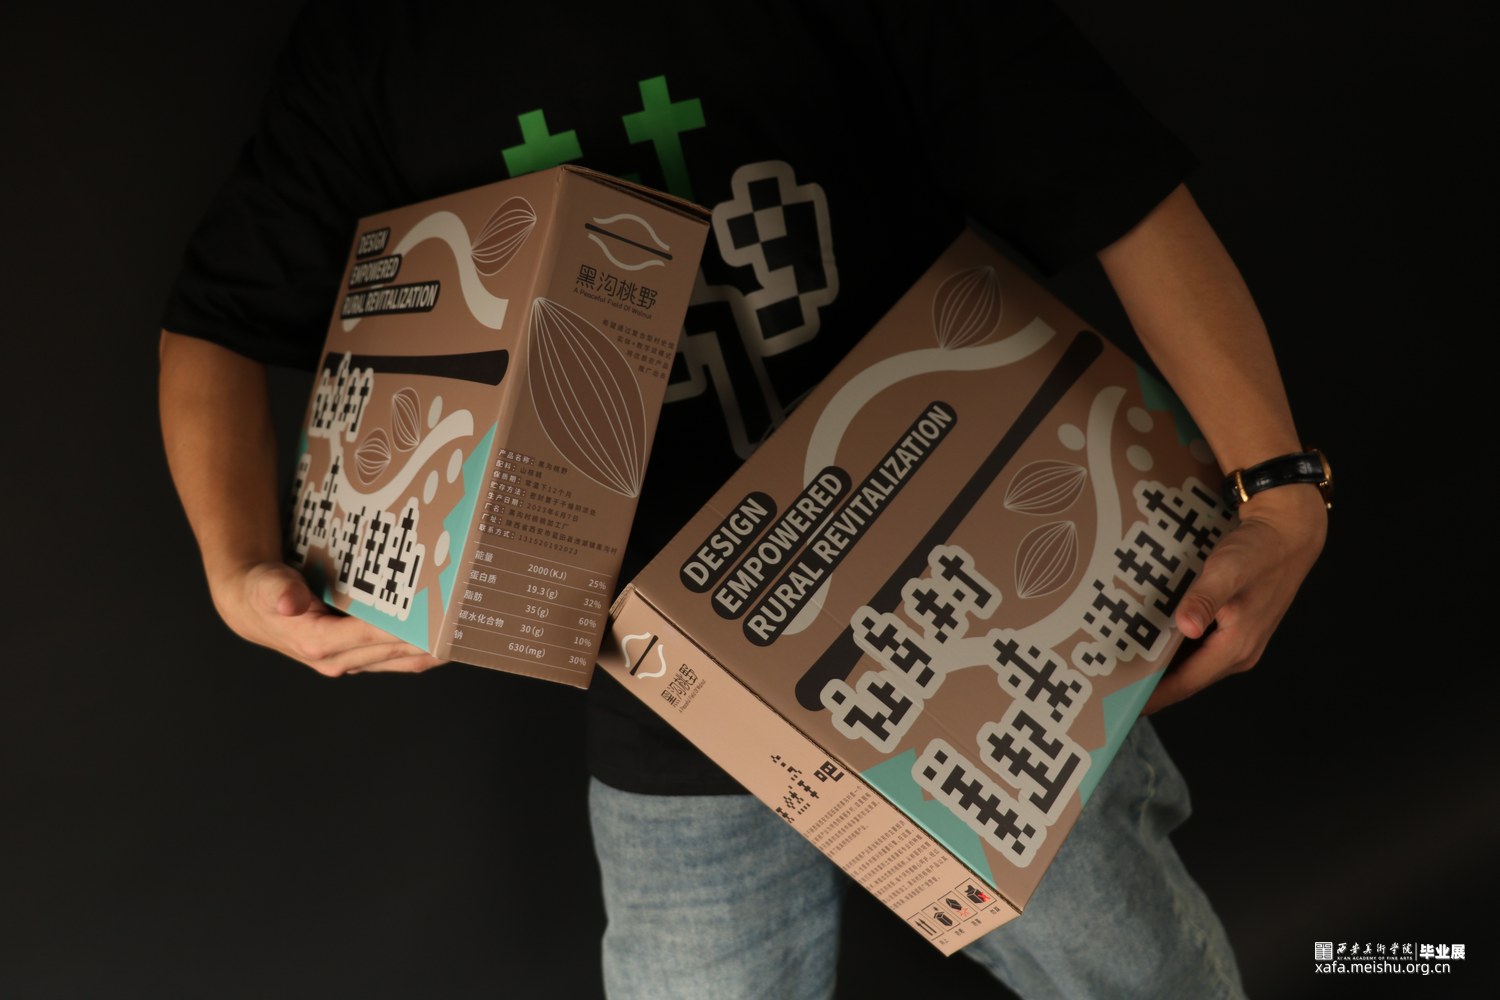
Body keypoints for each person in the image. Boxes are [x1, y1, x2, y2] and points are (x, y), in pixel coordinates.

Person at [158, 2, 1327, 997]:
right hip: (661, 702)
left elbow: (1115, 183)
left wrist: (1279, 490)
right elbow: (220, 313)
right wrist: (235, 569)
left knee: (1138, 971)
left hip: (970, 648)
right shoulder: (376, 39)